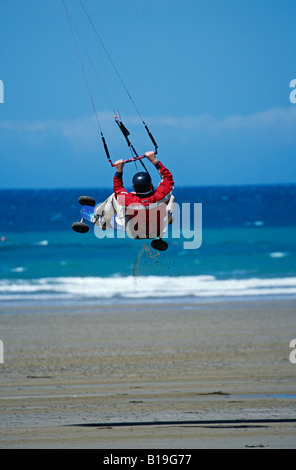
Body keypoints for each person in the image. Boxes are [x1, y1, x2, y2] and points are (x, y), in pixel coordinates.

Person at [95, 151, 175, 239]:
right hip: (157, 231)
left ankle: (102, 220)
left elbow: (118, 189)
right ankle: (168, 221)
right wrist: (154, 161)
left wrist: (119, 171)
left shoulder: (128, 200)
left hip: (135, 234)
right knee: (170, 197)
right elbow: (168, 178)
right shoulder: (161, 196)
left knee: (115, 197)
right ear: (151, 185)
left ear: (134, 187)